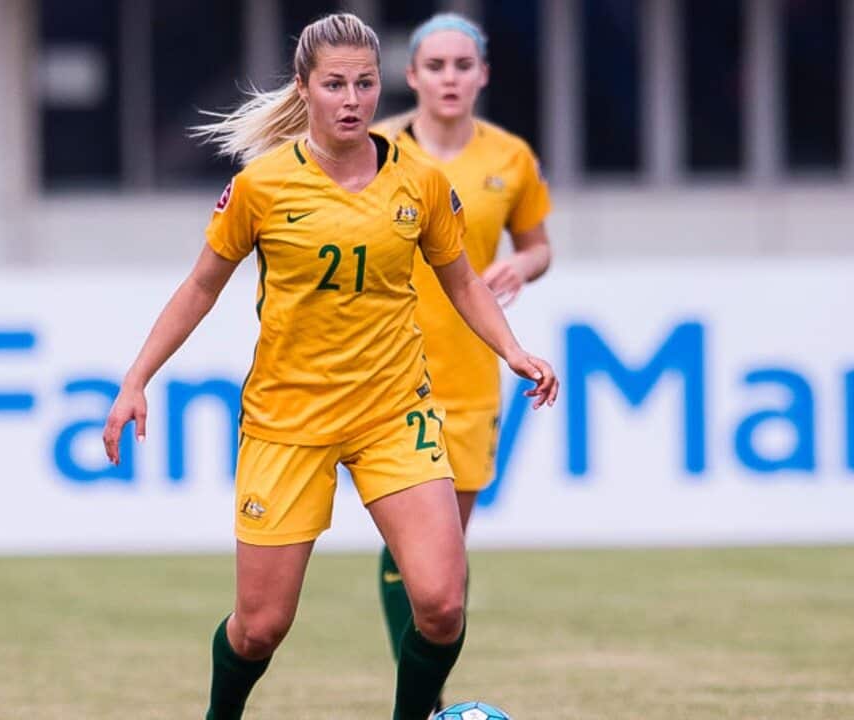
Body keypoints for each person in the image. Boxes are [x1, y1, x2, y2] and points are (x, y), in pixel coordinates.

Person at [100, 13, 557, 720]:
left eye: (364, 83)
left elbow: (463, 281)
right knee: (260, 629)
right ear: (304, 87)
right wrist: (135, 381)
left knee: (440, 603)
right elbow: (199, 287)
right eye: (335, 84)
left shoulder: (422, 185)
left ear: (381, 87)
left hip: (394, 413)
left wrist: (514, 351)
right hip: (288, 423)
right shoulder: (263, 187)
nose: (351, 99)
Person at [372, 12, 554, 689]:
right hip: (388, 372)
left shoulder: (510, 157)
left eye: (462, 65)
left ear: (482, 74)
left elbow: (538, 245)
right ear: (413, 74)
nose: (450, 77)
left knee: (447, 552)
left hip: (472, 370)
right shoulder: (376, 147)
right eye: (436, 66)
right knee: (409, 548)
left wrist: (522, 268)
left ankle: (424, 693)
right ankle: (425, 701)